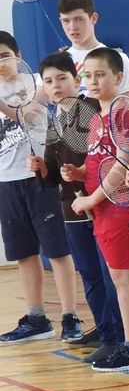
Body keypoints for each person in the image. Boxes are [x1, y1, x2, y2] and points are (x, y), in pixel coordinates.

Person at [63, 49, 129, 371]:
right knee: (117, 277)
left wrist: (91, 199)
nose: (93, 81)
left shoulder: (124, 111)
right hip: (102, 207)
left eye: (100, 75)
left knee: (124, 277)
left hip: (118, 205)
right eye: (88, 75)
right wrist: (80, 174)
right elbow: (99, 164)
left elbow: (123, 162)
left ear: (118, 77)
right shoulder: (97, 118)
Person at [0, 33, 82, 346]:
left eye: (6, 55)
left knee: (58, 250)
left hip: (40, 176)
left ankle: (70, 316)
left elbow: (30, 114)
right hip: (7, 182)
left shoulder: (36, 82)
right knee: (23, 253)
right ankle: (36, 318)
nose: (1, 63)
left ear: (17, 54)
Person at [57, 0, 129, 94]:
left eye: (79, 19)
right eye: (66, 21)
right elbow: (37, 104)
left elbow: (127, 105)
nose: (72, 27)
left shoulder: (119, 59)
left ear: (94, 18)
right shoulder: (56, 63)